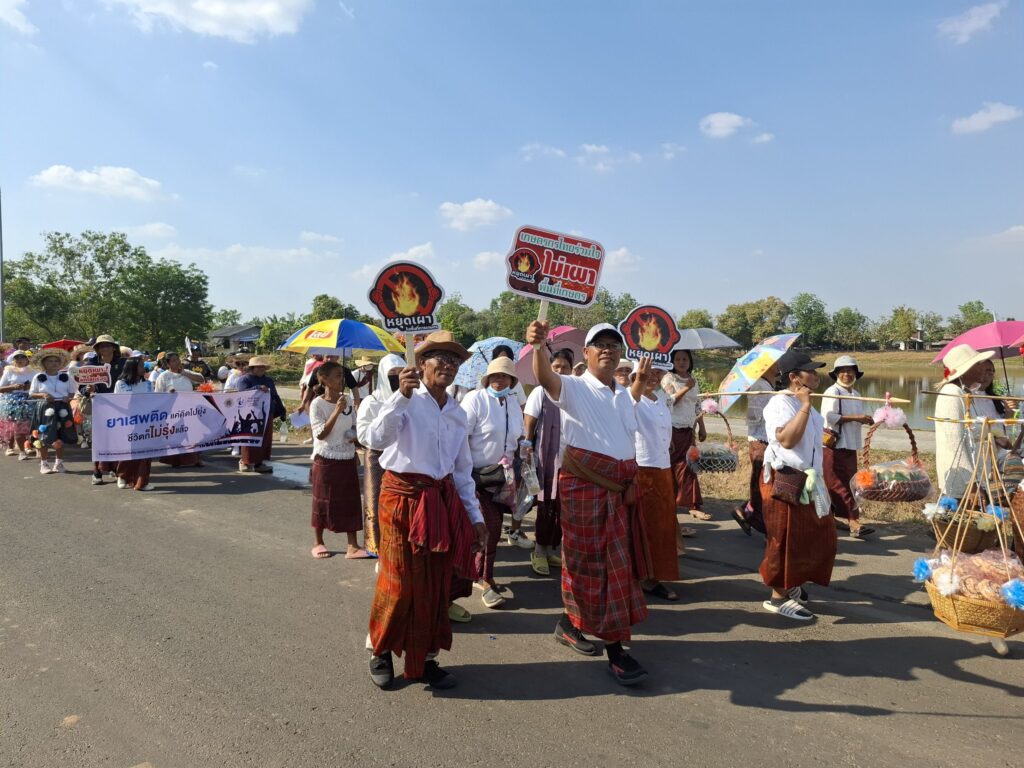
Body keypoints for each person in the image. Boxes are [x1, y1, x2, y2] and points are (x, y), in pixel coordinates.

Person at [527, 320, 652, 686]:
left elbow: (622, 428)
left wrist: (640, 383)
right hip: (585, 488)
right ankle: (616, 652)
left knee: (611, 568)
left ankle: (570, 624)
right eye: (600, 344)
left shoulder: (622, 393)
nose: (608, 350)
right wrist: (538, 347)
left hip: (617, 493)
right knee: (590, 565)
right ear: (587, 353)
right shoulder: (574, 386)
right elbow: (545, 378)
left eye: (614, 344)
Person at [365, 330, 488, 690]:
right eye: (440, 358)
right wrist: (400, 397)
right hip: (401, 498)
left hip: (440, 501)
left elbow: (462, 471)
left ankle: (426, 659)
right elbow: (375, 440)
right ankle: (380, 650)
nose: (448, 365)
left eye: (454, 360)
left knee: (436, 584)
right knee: (398, 581)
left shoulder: (457, 413)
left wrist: (476, 517)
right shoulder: (405, 399)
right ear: (421, 363)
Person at [759, 350, 836, 621]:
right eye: (810, 371)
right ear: (794, 377)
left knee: (814, 535)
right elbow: (787, 440)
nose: (816, 375)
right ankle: (777, 597)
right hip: (785, 478)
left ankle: (792, 582)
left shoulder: (808, 405)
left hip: (808, 479)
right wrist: (804, 406)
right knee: (785, 538)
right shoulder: (779, 403)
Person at [462, 356, 525, 609]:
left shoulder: (512, 403)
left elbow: (518, 436)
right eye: (495, 376)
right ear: (487, 379)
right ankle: (484, 578)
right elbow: (461, 437)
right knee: (490, 527)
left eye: (505, 376)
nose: (500, 380)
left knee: (493, 529)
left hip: (503, 479)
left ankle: (480, 572)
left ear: (512, 380)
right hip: (476, 477)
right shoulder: (475, 399)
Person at [309, 361, 370, 559]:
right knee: (323, 500)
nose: (342, 380)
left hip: (347, 456)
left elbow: (353, 426)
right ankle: (319, 542)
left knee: (350, 501)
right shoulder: (317, 404)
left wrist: (355, 437)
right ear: (323, 379)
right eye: (337, 376)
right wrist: (336, 410)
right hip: (326, 458)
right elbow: (320, 434)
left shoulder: (348, 400)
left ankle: (352, 545)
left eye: (342, 376)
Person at [934, 345, 1011, 500]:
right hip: (963, 479)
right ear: (966, 369)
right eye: (977, 364)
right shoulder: (951, 393)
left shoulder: (966, 392)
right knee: (960, 513)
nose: (982, 369)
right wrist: (971, 484)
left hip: (978, 474)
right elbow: (954, 442)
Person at [522, 348, 574, 576]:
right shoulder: (540, 392)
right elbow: (530, 421)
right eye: (556, 367)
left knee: (564, 508)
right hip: (547, 459)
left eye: (565, 367)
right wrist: (527, 446)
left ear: (571, 369)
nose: (560, 370)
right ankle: (539, 551)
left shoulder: (575, 391)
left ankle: (552, 549)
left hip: (571, 459)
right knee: (546, 506)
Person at [632, 359, 680, 601]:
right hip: (641, 468)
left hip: (662, 467)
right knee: (642, 524)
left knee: (661, 525)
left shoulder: (660, 398)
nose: (654, 376)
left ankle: (654, 575)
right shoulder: (631, 397)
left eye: (658, 372)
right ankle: (640, 577)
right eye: (649, 371)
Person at [356, 353, 406, 558]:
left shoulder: (411, 400)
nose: (396, 376)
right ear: (383, 375)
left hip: (402, 457)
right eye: (392, 373)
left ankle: (399, 544)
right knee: (376, 501)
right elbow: (362, 434)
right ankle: (376, 545)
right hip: (377, 457)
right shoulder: (372, 401)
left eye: (400, 372)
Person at [820, 356, 876, 538]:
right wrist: (857, 418)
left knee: (850, 482)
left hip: (851, 445)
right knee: (837, 483)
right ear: (836, 374)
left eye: (850, 371)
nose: (846, 374)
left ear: (856, 374)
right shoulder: (832, 391)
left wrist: (867, 419)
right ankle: (853, 521)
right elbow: (829, 417)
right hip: (834, 446)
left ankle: (830, 518)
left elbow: (855, 418)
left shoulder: (856, 394)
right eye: (842, 371)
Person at [662, 348, 710, 522]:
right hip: (672, 429)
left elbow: (697, 405)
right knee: (672, 466)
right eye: (678, 359)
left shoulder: (693, 380)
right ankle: (670, 502)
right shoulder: (668, 378)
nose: (682, 362)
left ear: (690, 362)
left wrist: (702, 427)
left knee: (690, 466)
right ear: (672, 362)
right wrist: (686, 388)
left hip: (689, 429)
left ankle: (693, 505)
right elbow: (670, 401)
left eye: (685, 359)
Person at [732, 362, 778, 537]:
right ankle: (759, 521)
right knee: (763, 483)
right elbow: (755, 417)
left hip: (768, 440)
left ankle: (746, 512)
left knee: (764, 483)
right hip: (760, 440)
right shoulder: (759, 385)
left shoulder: (769, 384)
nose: (778, 364)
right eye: (775, 362)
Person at [84, 335, 127, 485]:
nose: (105, 348)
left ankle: (115, 468)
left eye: (107, 345)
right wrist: (87, 390)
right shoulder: (91, 364)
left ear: (114, 347)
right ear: (97, 349)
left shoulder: (123, 363)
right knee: (99, 440)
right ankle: (97, 472)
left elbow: (131, 380)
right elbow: (82, 387)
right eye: (101, 346)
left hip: (120, 406)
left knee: (118, 439)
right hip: (99, 405)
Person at [153, 351, 207, 469]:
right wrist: (168, 394)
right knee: (176, 435)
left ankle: (195, 459)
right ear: (168, 364)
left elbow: (201, 379)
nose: (177, 362)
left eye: (178, 359)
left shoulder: (185, 372)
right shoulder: (163, 376)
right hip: (172, 411)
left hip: (189, 409)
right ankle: (176, 460)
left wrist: (184, 372)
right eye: (173, 361)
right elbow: (158, 395)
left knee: (192, 434)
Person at [29, 348, 78, 475]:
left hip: (62, 407)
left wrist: (68, 397)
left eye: (56, 361)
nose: (54, 363)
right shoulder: (38, 377)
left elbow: (72, 392)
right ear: (44, 364)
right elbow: (32, 393)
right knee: (44, 435)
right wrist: (43, 395)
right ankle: (44, 464)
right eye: (50, 361)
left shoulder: (67, 377)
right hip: (45, 407)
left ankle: (59, 463)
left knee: (61, 434)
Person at [235, 355, 287, 474]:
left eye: (263, 367)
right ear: (252, 368)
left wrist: (281, 410)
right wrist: (257, 388)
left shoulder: (269, 380)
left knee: (264, 439)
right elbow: (242, 394)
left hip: (267, 412)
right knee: (250, 438)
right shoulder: (244, 380)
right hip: (250, 414)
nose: (261, 369)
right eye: (258, 367)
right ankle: (245, 462)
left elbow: (275, 395)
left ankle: (259, 463)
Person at [113, 358, 154, 491]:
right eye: (141, 366)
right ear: (132, 368)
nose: (144, 368)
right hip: (127, 423)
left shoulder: (148, 384)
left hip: (145, 422)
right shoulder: (120, 384)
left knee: (144, 453)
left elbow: (154, 402)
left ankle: (142, 482)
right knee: (127, 451)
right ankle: (122, 476)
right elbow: (116, 403)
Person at [1, 351, 36, 460]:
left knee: (30, 427)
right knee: (16, 426)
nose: (20, 360)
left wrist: (30, 386)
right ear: (13, 360)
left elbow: (39, 386)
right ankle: (19, 450)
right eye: (17, 358)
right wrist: (14, 387)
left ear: (27, 359)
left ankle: (27, 445)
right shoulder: (9, 371)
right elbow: (1, 388)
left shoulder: (33, 371)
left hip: (30, 400)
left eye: (22, 357)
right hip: (14, 402)